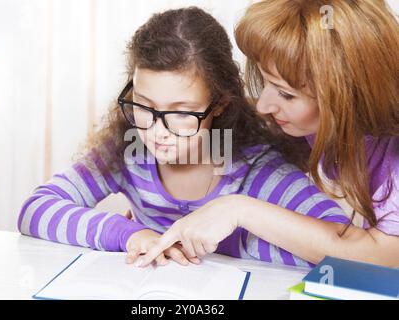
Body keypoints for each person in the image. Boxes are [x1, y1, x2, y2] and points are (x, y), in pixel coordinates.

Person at [18, 7, 349, 268]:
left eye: (181, 113)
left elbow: (342, 250)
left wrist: (239, 241)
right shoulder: (127, 151)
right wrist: (130, 234)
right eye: (144, 106)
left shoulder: (255, 171)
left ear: (218, 105)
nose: (157, 131)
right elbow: (35, 210)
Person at [139, 1, 399, 268]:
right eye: (265, 81)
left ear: (349, 95)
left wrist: (239, 210)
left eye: (286, 94)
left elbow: (383, 261)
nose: (264, 105)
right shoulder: (328, 125)